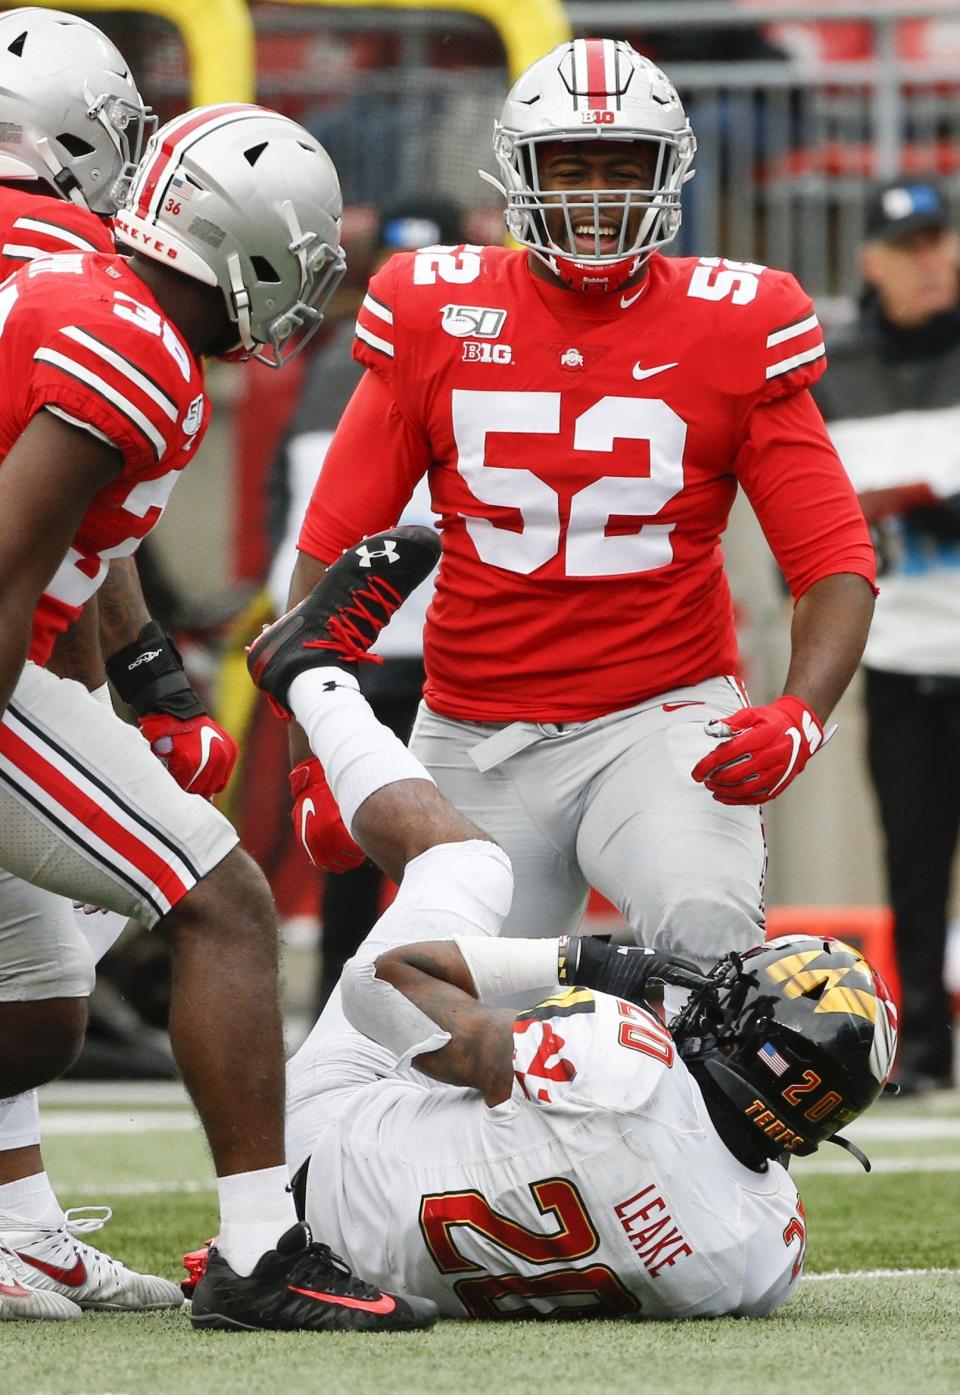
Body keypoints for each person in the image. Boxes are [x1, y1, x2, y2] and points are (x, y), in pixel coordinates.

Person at [285, 38, 877, 975]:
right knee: (437, 1014)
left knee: (710, 950)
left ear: (667, 174)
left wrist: (800, 709)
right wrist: (315, 749)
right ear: (521, 176)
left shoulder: (737, 321)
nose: (597, 196)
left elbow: (835, 560)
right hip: (473, 727)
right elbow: (331, 547)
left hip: (661, 719)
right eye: (571, 168)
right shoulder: (435, 306)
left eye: (621, 167)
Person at [210, 526, 899, 1320]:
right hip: (402, 1263)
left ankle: (310, 673)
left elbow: (381, 985)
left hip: (314, 1175)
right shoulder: (764, 1254)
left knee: (472, 865)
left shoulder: (622, 1060)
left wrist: (583, 963)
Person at [0, 101, 436, 1333]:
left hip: (25, 652)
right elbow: (8, 564)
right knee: (225, 900)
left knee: (30, 1007)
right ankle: (262, 1252)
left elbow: (65, 568)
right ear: (243, 245)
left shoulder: (93, 294)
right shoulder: (128, 342)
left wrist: (130, 705)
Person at [0, 4, 210, 1320]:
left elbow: (58, 522)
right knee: (216, 897)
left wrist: (144, 682)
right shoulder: (96, 298)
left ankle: (20, 1219)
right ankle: (265, 1239)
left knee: (33, 981)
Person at [268, 195, 462, 1009]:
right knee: (354, 841)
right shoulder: (335, 365)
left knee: (450, 849)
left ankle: (431, 1003)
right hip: (358, 638)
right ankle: (343, 1006)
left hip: (453, 646)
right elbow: (300, 512)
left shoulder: (474, 357)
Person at [813, 179, 960, 1096]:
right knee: (912, 859)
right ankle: (931, 1048)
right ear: (870, 260)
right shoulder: (838, 373)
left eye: (940, 241)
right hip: (902, 658)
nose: (931, 261)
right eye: (909, 245)